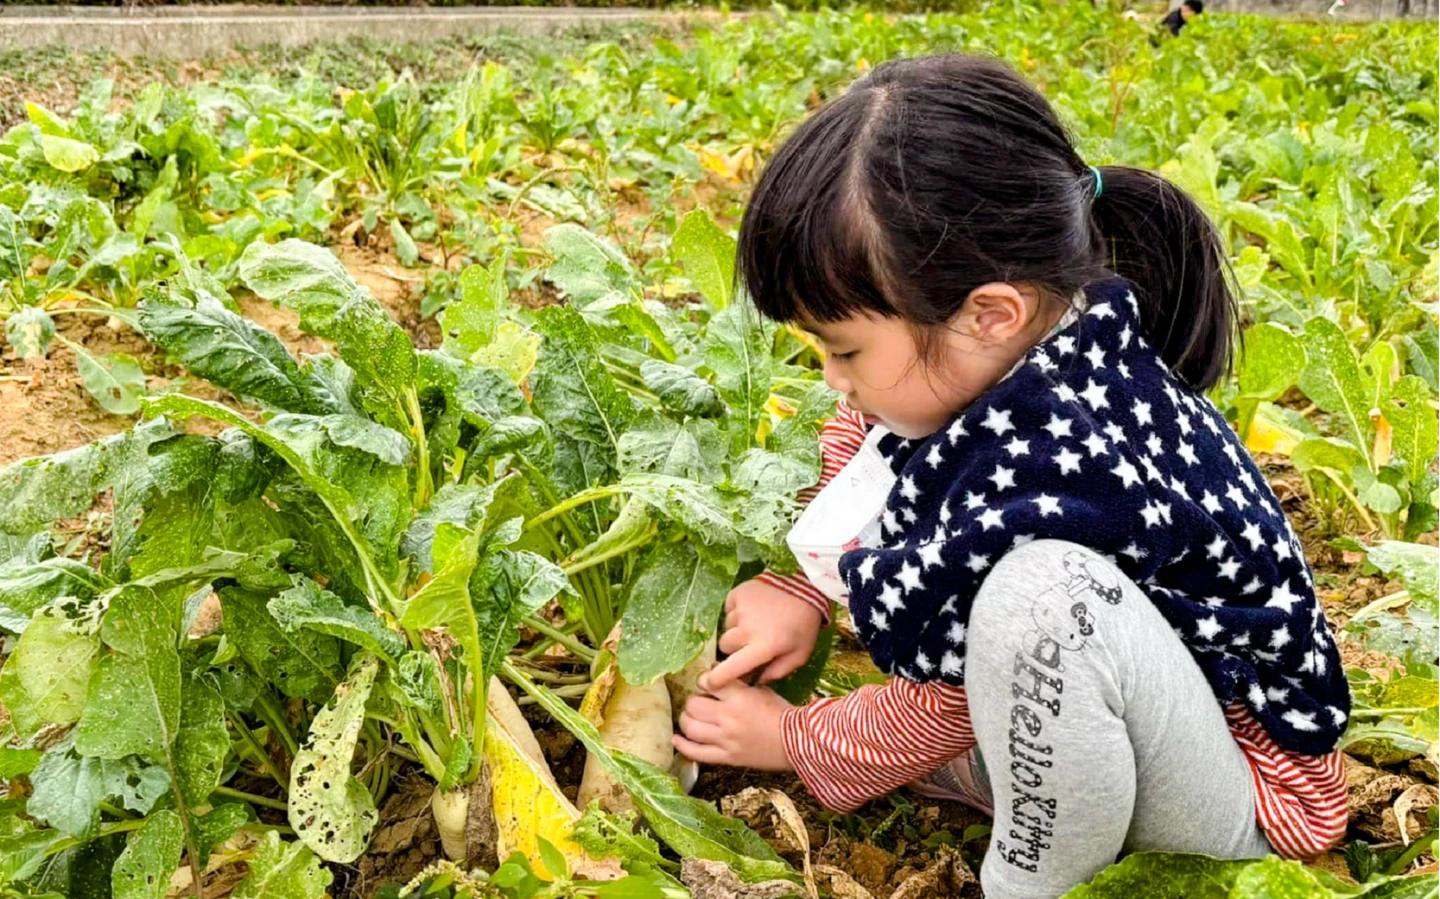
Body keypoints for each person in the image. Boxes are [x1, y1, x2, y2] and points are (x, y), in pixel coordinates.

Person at [673, 55, 1348, 899]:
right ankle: (1012, 779)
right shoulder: (1013, 345)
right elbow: (867, 434)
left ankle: (1028, 885)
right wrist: (802, 586)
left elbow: (949, 699)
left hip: (1240, 801)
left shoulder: (1062, 458)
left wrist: (795, 739)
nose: (832, 379)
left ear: (990, 311)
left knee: (1037, 607)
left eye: (843, 350)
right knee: (1014, 604)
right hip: (1134, 720)